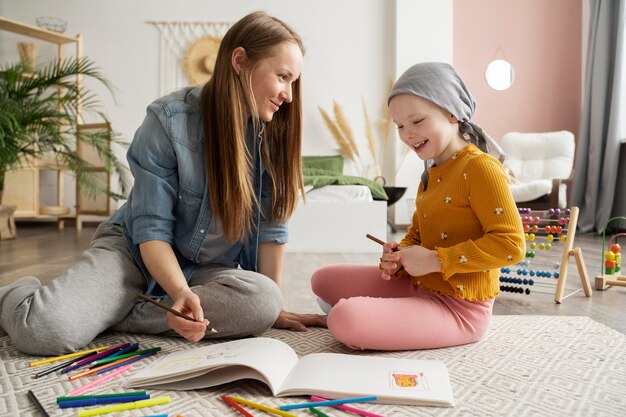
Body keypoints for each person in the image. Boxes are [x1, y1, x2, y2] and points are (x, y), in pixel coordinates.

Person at [0, 11, 326, 356]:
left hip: (206, 270)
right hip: (135, 254)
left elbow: (271, 228)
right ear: (240, 60)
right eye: (283, 77)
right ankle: (17, 294)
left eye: (294, 82)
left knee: (264, 301)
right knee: (44, 330)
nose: (289, 95)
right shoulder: (169, 119)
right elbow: (151, 229)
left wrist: (271, 310)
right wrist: (178, 292)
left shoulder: (273, 134)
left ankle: (110, 310)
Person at [311, 62, 525, 351]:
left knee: (344, 318)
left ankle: (372, 320)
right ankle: (386, 318)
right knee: (323, 280)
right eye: (400, 126)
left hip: (460, 308)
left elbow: (511, 245)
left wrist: (435, 260)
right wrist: (399, 257)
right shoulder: (431, 172)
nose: (407, 134)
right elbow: (417, 236)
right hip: (421, 284)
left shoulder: (480, 168)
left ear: (452, 112)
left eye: (417, 121)